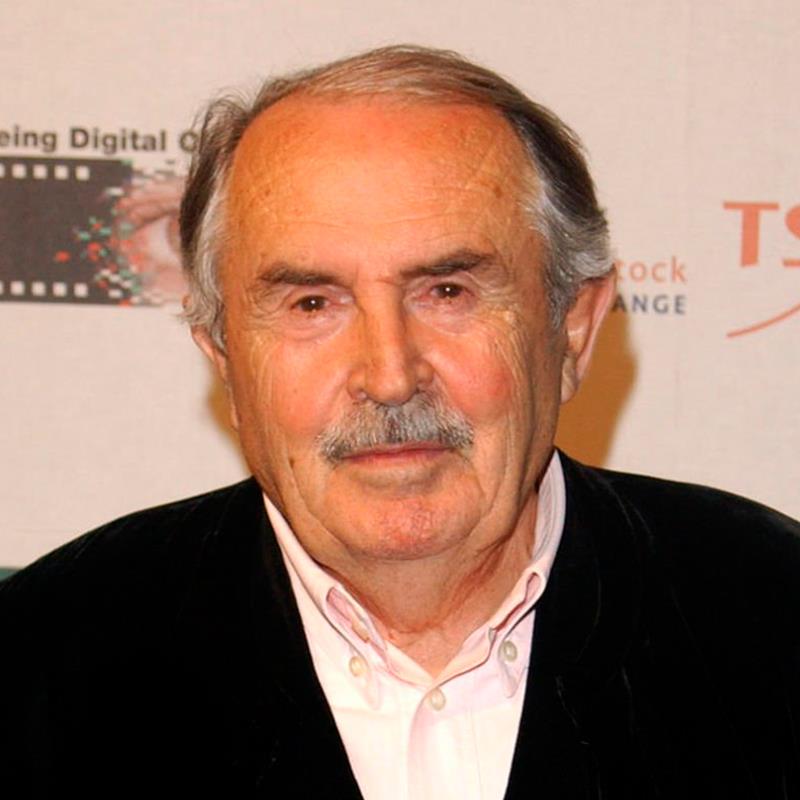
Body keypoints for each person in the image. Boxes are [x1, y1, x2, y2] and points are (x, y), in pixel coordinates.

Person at [1, 45, 798, 799]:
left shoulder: (770, 614)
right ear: (225, 359)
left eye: (447, 292)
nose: (389, 376)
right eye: (311, 304)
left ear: (574, 328)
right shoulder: (43, 660)